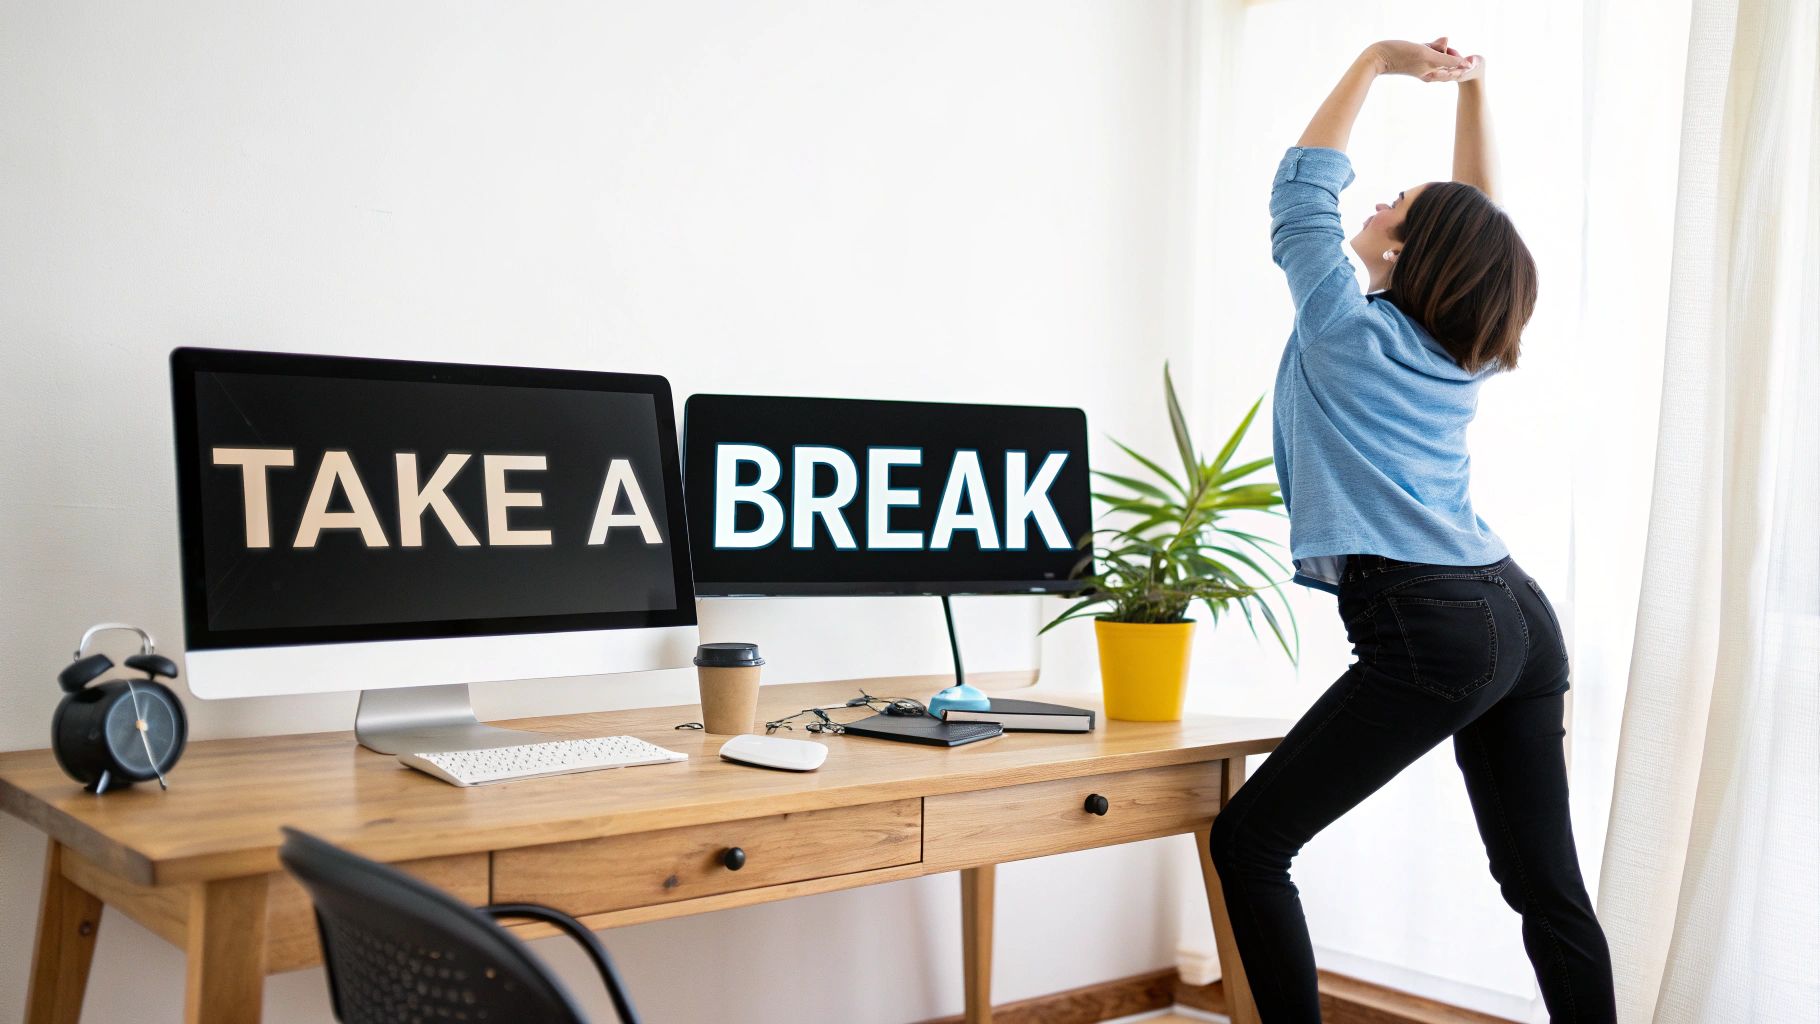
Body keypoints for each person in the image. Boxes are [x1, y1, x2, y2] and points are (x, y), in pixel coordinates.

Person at [1205, 39, 1617, 1023]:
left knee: (1249, 843)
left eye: (1396, 202)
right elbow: (1484, 224)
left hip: (1430, 620)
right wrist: (1471, 90)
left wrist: (1374, 63)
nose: (1378, 197)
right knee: (1542, 887)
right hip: (1514, 615)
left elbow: (1302, 187)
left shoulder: (1342, 325)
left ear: (1403, 251)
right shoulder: (1463, 342)